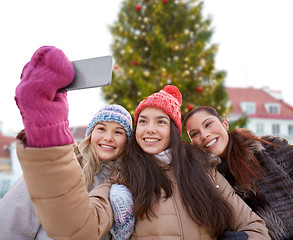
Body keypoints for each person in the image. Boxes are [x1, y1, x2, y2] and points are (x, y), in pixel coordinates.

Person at [14, 46, 270, 239]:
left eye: (161, 122)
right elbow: (79, 228)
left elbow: (256, 228)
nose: (150, 130)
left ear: (174, 130)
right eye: (143, 121)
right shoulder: (123, 175)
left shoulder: (204, 171)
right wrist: (48, 131)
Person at [0, 104, 134, 240]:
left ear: (127, 141)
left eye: (118, 132)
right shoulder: (60, 166)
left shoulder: (125, 186)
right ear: (91, 134)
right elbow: (14, 215)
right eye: (101, 128)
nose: (108, 137)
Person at [184, 105, 293, 240]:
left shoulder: (270, 149)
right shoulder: (207, 180)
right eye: (195, 134)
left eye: (208, 124)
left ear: (225, 124)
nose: (204, 135)